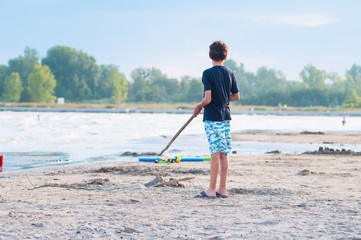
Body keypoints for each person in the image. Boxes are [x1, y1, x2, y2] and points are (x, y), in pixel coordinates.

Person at [193, 40, 240, 198]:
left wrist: (198, 106)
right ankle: (222, 189)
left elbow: (207, 99)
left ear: (209, 55)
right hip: (225, 117)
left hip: (212, 117)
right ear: (226, 56)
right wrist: (224, 97)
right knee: (224, 153)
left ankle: (211, 190)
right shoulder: (230, 72)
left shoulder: (208, 73)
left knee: (215, 153)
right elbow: (236, 96)